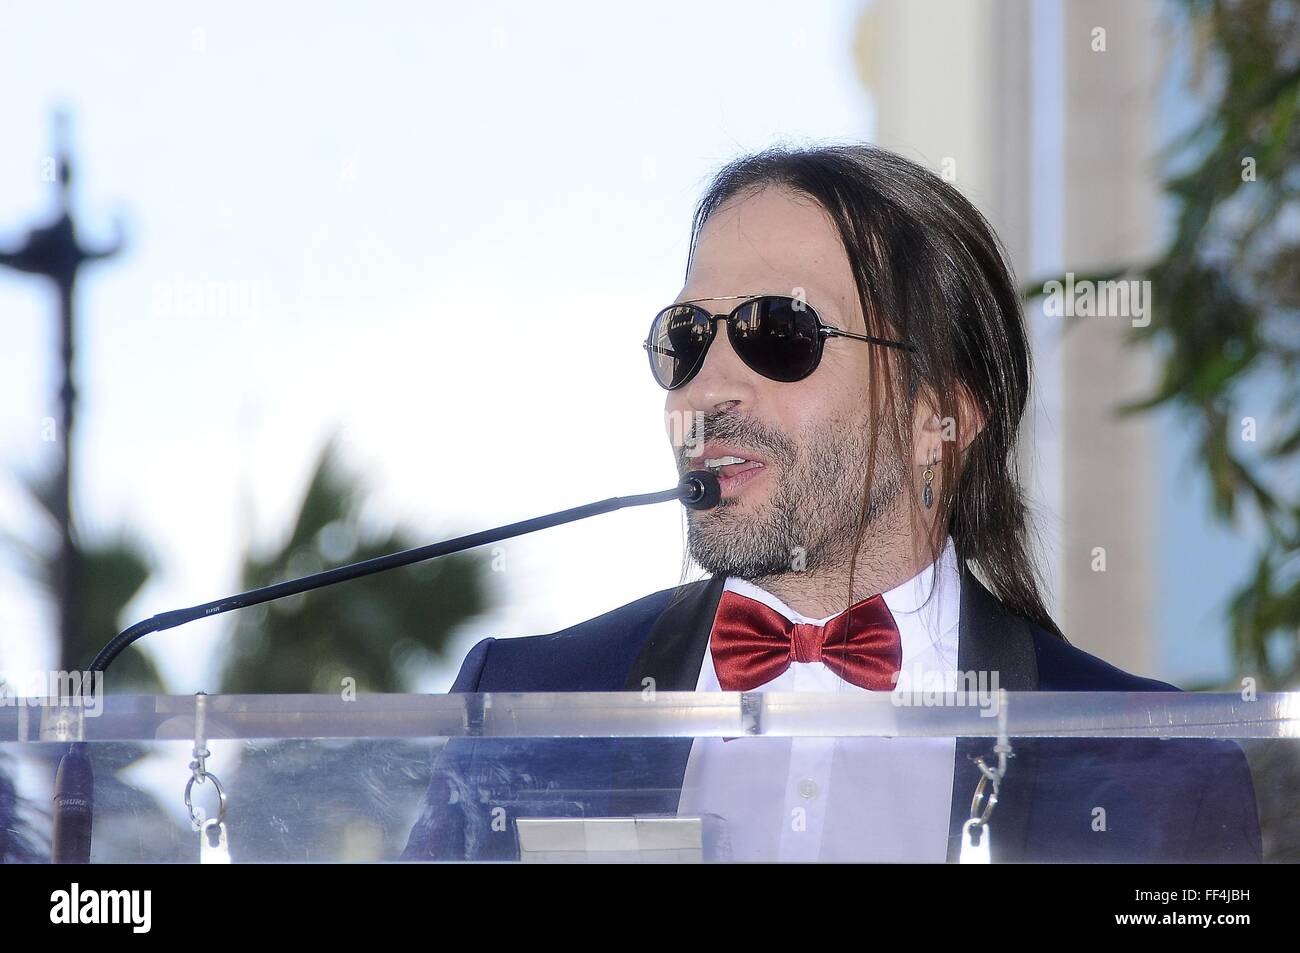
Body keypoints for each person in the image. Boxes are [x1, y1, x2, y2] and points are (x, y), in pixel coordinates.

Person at [401, 144, 1262, 862]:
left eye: (780, 332)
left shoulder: (1160, 772)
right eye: (688, 339)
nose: (706, 391)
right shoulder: (519, 703)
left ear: (940, 416)